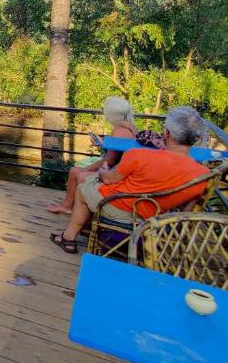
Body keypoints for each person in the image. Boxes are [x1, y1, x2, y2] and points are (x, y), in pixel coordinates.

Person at [50, 106, 209, 253]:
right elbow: (186, 211)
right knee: (87, 180)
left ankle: (68, 238)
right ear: (195, 139)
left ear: (166, 133)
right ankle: (86, 227)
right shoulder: (203, 175)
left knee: (82, 189)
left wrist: (103, 170)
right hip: (157, 218)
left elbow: (108, 180)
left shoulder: (139, 155)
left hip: (122, 209)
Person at [46, 96, 137, 214]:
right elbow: (118, 152)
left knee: (76, 172)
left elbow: (110, 160)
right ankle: (68, 205)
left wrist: (85, 169)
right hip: (121, 171)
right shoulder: (131, 128)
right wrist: (103, 145)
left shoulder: (119, 131)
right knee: (76, 170)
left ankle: (69, 206)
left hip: (116, 173)